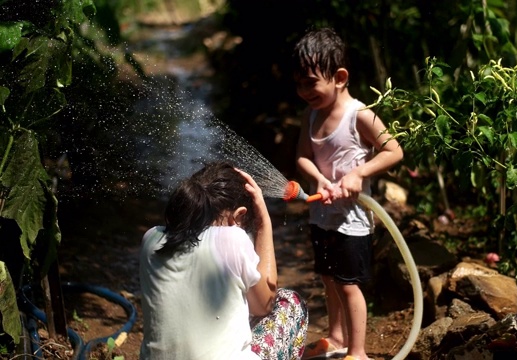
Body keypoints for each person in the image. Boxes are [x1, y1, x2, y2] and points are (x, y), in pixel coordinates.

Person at [292, 27, 404, 360]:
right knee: (329, 279)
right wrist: (321, 181)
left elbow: (393, 151)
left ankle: (358, 352)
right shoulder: (310, 115)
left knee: (348, 285)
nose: (303, 91)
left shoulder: (359, 115)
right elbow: (301, 157)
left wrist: (358, 173)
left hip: (352, 222)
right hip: (322, 215)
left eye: (310, 82)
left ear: (339, 77)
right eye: (298, 83)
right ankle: (337, 337)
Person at [139, 161, 308, 360]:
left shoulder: (151, 239)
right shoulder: (232, 239)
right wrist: (263, 224)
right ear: (239, 215)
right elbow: (265, 305)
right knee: (290, 302)